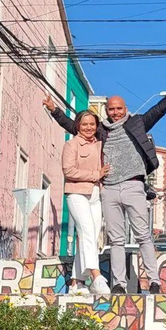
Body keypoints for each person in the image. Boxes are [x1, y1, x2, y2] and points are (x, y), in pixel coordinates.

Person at [44, 70, 166, 294]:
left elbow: (160, 109)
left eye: (119, 109)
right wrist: (55, 111)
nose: (115, 112)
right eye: (111, 109)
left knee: (143, 235)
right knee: (116, 239)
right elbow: (75, 127)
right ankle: (119, 284)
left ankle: (153, 281)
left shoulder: (138, 123)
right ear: (107, 111)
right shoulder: (101, 132)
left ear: (125, 109)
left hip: (134, 186)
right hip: (109, 190)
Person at [61, 110, 111, 295]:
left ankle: (76, 282)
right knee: (87, 232)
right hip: (76, 193)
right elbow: (68, 171)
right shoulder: (71, 144)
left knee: (91, 236)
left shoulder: (100, 145)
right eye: (84, 124)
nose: (89, 128)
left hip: (96, 194)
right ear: (77, 126)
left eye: (92, 124)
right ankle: (96, 277)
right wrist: (94, 175)